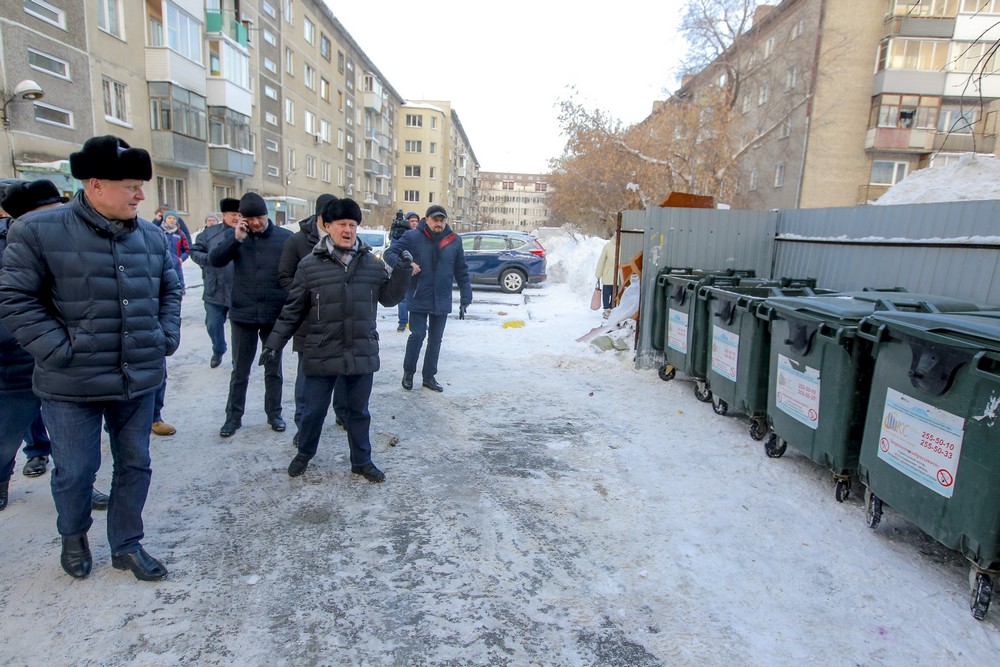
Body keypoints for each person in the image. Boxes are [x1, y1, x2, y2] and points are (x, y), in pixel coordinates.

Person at [0, 135, 182, 581]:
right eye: (131, 187)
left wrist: (164, 336)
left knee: (135, 464)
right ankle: (74, 536)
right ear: (95, 184)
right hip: (70, 382)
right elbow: (16, 299)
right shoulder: (37, 231)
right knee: (76, 470)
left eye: (141, 187)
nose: (140, 196)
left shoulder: (151, 237)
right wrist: (58, 349)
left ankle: (126, 544)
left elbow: (170, 289)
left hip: (137, 376)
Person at [259, 197, 411, 481]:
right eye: (341, 224)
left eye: (352, 224)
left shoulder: (371, 264)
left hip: (360, 349)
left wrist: (402, 273)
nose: (347, 230)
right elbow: (292, 310)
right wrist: (273, 344)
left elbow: (389, 299)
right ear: (327, 226)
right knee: (313, 411)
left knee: (358, 412)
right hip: (321, 349)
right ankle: (304, 453)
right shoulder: (309, 266)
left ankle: (362, 461)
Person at [0, 179, 109, 511]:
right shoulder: (8, 245)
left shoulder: (77, 240)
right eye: (50, 211)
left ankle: (80, 487)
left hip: (68, 360)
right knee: (7, 433)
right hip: (17, 358)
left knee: (73, 438)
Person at [209, 192, 292, 437]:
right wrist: (236, 239)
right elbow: (215, 260)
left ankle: (274, 414)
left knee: (273, 369)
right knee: (240, 370)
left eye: (260, 217)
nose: (256, 223)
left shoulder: (285, 238)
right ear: (242, 218)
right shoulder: (236, 237)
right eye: (250, 218)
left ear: (267, 215)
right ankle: (233, 418)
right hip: (243, 315)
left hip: (274, 315)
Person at [277, 193, 349, 444]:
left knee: (343, 372)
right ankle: (303, 426)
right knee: (307, 379)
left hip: (340, 323)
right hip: (309, 323)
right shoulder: (297, 241)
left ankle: (342, 414)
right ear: (321, 218)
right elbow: (285, 277)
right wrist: (308, 298)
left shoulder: (345, 241)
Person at [383, 204, 472, 392]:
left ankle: (429, 377)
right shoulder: (413, 236)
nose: (438, 223)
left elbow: (461, 270)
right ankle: (408, 374)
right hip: (419, 295)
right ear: (427, 219)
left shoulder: (454, 240)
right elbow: (389, 253)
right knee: (417, 335)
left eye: (441, 220)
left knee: (436, 339)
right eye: (435, 219)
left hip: (442, 297)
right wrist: (407, 265)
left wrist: (466, 295)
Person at [191, 199, 238, 368]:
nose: (237, 218)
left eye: (240, 215)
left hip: (238, 290)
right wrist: (209, 259)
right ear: (224, 215)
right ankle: (218, 349)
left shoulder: (247, 233)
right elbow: (194, 251)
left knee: (239, 331)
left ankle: (238, 360)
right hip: (214, 288)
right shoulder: (209, 233)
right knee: (212, 325)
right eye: (233, 214)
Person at [392, 211, 421, 332]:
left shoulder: (421, 234)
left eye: (416, 221)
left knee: (417, 297)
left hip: (418, 271)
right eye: (411, 221)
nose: (414, 223)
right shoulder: (401, 234)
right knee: (403, 298)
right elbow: (394, 250)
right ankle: (403, 322)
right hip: (404, 270)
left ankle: (417, 322)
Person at [595, 237, 618, 319]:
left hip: (614, 276)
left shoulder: (621, 246)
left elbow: (601, 261)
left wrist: (598, 274)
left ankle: (609, 310)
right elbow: (602, 260)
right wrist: (598, 274)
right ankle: (608, 310)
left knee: (610, 294)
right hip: (611, 276)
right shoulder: (608, 246)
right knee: (611, 294)